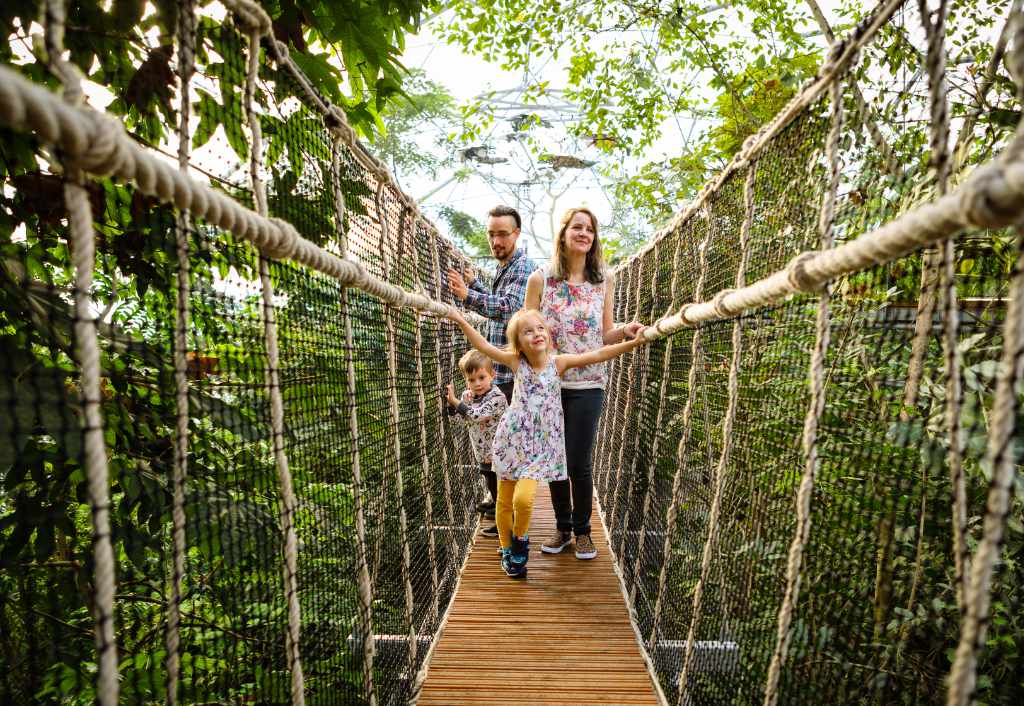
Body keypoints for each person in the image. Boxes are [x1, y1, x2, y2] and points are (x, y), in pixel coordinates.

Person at [447, 306, 645, 579]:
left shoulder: (558, 363)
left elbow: (598, 354)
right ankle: (508, 551)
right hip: (511, 443)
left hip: (539, 448)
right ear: (518, 343)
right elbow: (482, 345)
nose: (536, 334)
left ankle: (520, 543)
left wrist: (631, 344)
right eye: (528, 331)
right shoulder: (517, 364)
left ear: (548, 334)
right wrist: (459, 319)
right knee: (503, 503)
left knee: (524, 499)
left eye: (540, 328)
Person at [524, 207, 644, 561]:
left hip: (589, 383)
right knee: (555, 458)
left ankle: (583, 531)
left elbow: (606, 332)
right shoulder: (541, 280)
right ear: (563, 233)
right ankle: (562, 526)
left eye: (589, 229)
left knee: (579, 460)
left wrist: (626, 330)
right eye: (577, 227)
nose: (583, 233)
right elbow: (525, 328)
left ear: (594, 238)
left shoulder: (602, 281)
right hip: (548, 383)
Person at [447, 205, 537, 404]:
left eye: (503, 234)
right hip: (500, 373)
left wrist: (467, 294)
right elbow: (497, 299)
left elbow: (510, 309)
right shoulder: (505, 266)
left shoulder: (523, 267)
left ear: (517, 234)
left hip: (513, 376)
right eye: (491, 234)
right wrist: (474, 285)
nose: (496, 242)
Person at [445, 350, 508, 538]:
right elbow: (458, 421)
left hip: (501, 454)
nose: (477, 383)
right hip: (482, 454)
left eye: (482, 377)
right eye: (471, 380)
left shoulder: (498, 397)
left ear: (492, 375)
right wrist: (451, 405)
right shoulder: (466, 397)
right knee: (492, 487)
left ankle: (505, 526)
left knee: (501, 491)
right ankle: (501, 519)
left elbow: (476, 415)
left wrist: (456, 402)